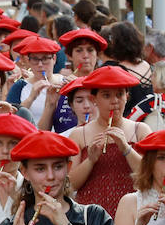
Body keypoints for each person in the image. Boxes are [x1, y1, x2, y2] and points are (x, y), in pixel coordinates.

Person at [64, 66, 150, 217]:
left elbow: (151, 176)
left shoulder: (141, 130)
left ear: (127, 97)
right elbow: (70, 185)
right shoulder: (79, 135)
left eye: (119, 94)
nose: (114, 101)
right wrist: (90, 160)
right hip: (91, 217)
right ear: (94, 99)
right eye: (106, 95)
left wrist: (127, 149)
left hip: (132, 215)